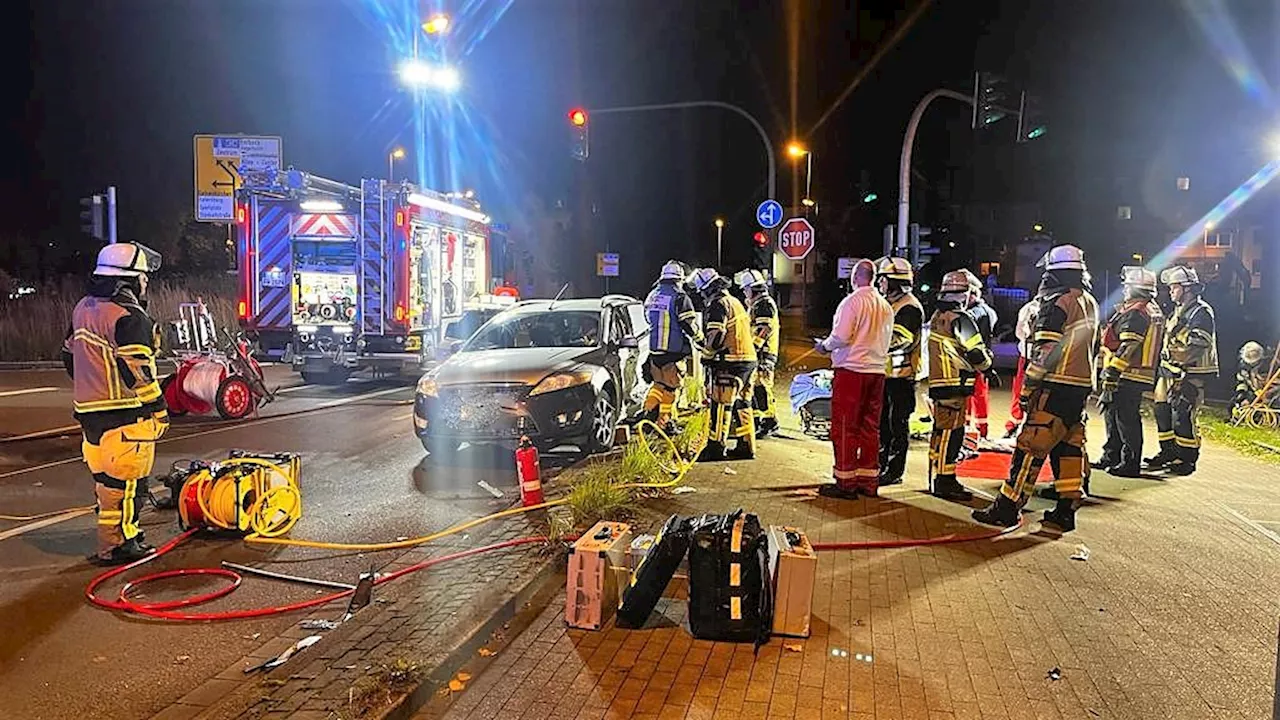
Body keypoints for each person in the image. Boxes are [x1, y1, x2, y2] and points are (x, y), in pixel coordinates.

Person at [972, 245, 1099, 534]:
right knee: (1069, 448)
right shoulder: (1089, 300)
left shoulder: (1056, 303)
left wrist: (1029, 388)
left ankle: (1006, 508)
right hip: (1079, 387)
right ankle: (1066, 510)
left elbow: (1045, 351)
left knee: (1030, 446)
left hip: (1054, 386)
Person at [61, 242, 169, 565]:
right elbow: (138, 372)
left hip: (89, 414)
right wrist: (159, 408)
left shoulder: (83, 309)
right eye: (143, 278)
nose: (145, 284)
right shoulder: (129, 316)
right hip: (123, 414)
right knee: (129, 481)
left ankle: (112, 541)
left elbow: (69, 357)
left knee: (107, 485)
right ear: (130, 280)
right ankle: (123, 543)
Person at [814, 259, 893, 498]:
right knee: (870, 427)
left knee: (846, 427)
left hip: (851, 371)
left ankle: (845, 482)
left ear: (857, 276)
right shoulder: (885, 306)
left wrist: (824, 346)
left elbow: (841, 336)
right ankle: (868, 482)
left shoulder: (852, 302)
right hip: (877, 372)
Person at [924, 270, 994, 501]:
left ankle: (938, 475)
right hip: (955, 383)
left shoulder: (937, 316)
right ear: (963, 294)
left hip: (940, 382)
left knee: (940, 432)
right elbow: (975, 350)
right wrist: (988, 368)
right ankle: (945, 481)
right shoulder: (960, 318)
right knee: (951, 434)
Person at [1144, 265, 1218, 476]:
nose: (1170, 292)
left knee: (1183, 414)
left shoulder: (1201, 311)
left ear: (1187, 288)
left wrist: (1179, 360)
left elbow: (1197, 344)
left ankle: (1187, 458)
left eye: (1174, 288)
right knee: (1162, 411)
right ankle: (1168, 452)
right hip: (1169, 371)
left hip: (1191, 373)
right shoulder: (1177, 311)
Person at [1095, 266, 1164, 477]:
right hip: (1135, 372)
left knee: (1125, 418)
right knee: (1116, 415)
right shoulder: (1149, 308)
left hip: (1128, 373)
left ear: (1136, 289)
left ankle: (1128, 462)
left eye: (1127, 286)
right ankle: (1113, 456)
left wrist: (1112, 373)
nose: (1124, 289)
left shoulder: (1136, 312)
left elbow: (1128, 346)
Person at [690, 268, 758, 461]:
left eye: (702, 292)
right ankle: (747, 446)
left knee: (720, 405)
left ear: (708, 289)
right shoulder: (734, 301)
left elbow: (716, 335)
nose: (701, 296)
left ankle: (715, 448)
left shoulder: (718, 305)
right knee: (743, 405)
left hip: (730, 363)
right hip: (748, 361)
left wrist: (707, 353)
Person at [874, 256, 924, 487]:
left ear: (893, 282)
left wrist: (871, 343)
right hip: (888, 375)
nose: (880, 284)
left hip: (902, 378)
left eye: (883, 280)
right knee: (884, 423)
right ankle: (880, 464)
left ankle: (894, 471)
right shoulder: (891, 303)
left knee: (897, 425)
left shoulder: (909, 307)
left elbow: (902, 339)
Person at [641, 261, 704, 432]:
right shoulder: (680, 297)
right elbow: (688, 324)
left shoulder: (652, 295)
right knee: (671, 389)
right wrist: (701, 340)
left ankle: (647, 415)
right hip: (673, 351)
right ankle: (665, 423)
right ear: (679, 279)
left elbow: (647, 319)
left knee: (658, 385)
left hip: (655, 351)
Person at [736, 269, 780, 437]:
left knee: (762, 388)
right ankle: (758, 421)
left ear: (752, 289)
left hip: (763, 353)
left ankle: (770, 421)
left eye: (745, 289)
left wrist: (752, 348)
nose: (744, 292)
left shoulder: (764, 304)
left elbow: (763, 329)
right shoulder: (758, 304)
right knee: (755, 388)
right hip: (759, 353)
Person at [965, 271, 999, 439]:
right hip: (982, 357)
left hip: (975, 359)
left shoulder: (977, 312)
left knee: (975, 394)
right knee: (979, 394)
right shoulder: (988, 311)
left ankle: (976, 430)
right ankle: (979, 429)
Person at [1004, 296, 1040, 437]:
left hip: (1040, 356)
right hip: (1030, 355)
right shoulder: (1031, 308)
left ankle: (1027, 425)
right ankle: (1015, 425)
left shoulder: (1056, 306)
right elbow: (1021, 333)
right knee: (1021, 390)